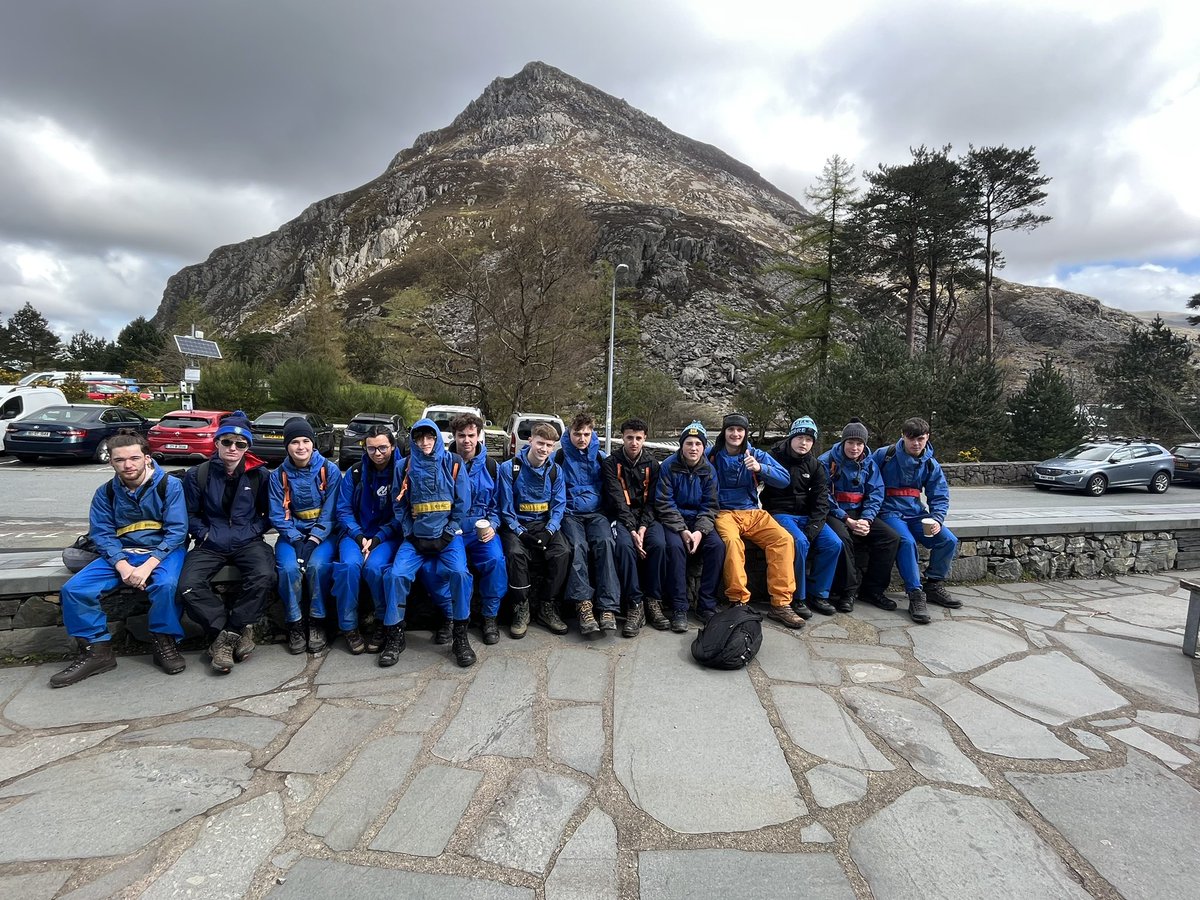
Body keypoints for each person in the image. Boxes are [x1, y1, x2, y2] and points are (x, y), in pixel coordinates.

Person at [51, 431, 188, 687]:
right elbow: (101, 534)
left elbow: (177, 532)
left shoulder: (169, 485)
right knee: (74, 589)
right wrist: (122, 565)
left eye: (134, 458)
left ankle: (163, 640)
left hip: (163, 552)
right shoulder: (106, 493)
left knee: (166, 585)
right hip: (121, 553)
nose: (128, 465)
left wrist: (148, 565)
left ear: (147, 458)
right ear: (111, 462)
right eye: (120, 459)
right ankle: (97, 652)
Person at [177, 411, 274, 674]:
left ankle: (227, 636)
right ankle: (233, 631)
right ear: (217, 443)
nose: (233, 448)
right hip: (211, 542)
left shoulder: (260, 476)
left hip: (247, 540)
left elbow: (271, 514)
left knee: (265, 574)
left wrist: (253, 530)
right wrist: (204, 533)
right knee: (187, 584)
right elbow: (189, 514)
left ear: (247, 447)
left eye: (240, 444)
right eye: (227, 442)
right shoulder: (198, 475)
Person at [387, 418, 476, 667]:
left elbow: (462, 504)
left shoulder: (453, 463)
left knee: (460, 573)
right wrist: (410, 533)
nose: (425, 442)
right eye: (419, 438)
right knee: (396, 576)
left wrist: (448, 533)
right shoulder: (403, 466)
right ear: (414, 440)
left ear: (437, 438)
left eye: (430, 437)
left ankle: (460, 636)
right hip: (416, 538)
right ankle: (395, 634)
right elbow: (398, 504)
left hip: (448, 537)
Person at [708, 413, 805, 628]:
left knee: (783, 540)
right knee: (732, 544)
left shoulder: (756, 454)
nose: (735, 434)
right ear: (724, 432)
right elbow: (688, 460)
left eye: (740, 430)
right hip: (723, 512)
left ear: (745, 433)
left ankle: (781, 604)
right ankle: (738, 601)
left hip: (752, 512)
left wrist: (761, 468)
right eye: (731, 429)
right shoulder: (712, 455)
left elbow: (784, 480)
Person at [873, 416, 962, 624]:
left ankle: (933, 585)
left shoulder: (930, 464)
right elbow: (869, 480)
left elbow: (939, 495)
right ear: (903, 436)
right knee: (906, 542)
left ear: (927, 437)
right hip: (888, 512)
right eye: (911, 438)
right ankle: (915, 594)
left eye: (920, 439)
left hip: (916, 513)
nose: (916, 443)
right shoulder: (885, 455)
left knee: (948, 540)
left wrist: (937, 519)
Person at [269, 416, 342, 654]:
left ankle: (317, 621)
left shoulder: (328, 470)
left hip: (323, 534)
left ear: (313, 443)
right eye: (294, 442)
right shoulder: (278, 475)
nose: (301, 447)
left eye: (305, 441)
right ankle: (295, 623)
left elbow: (331, 510)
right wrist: (297, 539)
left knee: (318, 566)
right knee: (288, 569)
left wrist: (313, 539)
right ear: (287, 446)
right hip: (292, 535)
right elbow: (277, 513)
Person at [761, 416, 844, 618]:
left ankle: (819, 594)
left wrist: (814, 527)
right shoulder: (773, 457)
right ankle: (798, 596)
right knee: (797, 542)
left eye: (808, 439)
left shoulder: (815, 466)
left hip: (806, 516)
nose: (803, 443)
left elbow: (821, 500)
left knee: (833, 543)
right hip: (780, 512)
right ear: (791, 438)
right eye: (800, 437)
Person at [332, 425, 403, 655]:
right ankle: (349, 627)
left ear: (392, 446)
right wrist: (359, 536)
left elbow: (401, 513)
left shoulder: (401, 473)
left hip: (386, 535)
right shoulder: (354, 472)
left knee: (374, 568)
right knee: (349, 567)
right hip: (356, 534)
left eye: (383, 447)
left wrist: (378, 538)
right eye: (371, 448)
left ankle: (383, 623)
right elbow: (342, 510)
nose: (378, 453)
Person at [819, 418, 901, 613]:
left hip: (860, 513)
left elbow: (876, 493)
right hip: (834, 513)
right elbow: (822, 495)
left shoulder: (869, 463)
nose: (854, 448)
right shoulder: (826, 461)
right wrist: (847, 519)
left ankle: (873, 590)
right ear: (843, 442)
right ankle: (847, 592)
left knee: (890, 538)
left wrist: (866, 519)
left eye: (859, 443)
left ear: (864, 445)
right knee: (843, 539)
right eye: (850, 443)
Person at [496, 422, 570, 638]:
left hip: (544, 525)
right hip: (517, 526)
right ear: (530, 441)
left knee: (562, 552)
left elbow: (558, 506)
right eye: (540, 443)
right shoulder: (509, 468)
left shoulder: (556, 471)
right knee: (516, 554)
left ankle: (548, 605)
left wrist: (549, 531)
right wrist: (521, 533)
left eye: (549, 445)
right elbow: (506, 510)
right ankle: (521, 607)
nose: (544, 450)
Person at [602, 417, 668, 637]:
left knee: (658, 544)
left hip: (647, 519)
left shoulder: (652, 464)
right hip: (622, 518)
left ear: (645, 439)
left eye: (638, 438)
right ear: (623, 438)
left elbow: (654, 501)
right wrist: (632, 529)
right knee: (623, 547)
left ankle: (653, 600)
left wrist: (642, 528)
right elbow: (617, 499)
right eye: (630, 437)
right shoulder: (611, 463)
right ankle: (635, 603)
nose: (634, 442)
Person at [656, 421, 725, 628]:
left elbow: (711, 505)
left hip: (699, 521)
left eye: (698, 444)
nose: (693, 448)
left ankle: (706, 605)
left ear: (704, 447)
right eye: (689, 443)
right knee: (675, 548)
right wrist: (683, 530)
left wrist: (700, 532)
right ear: (681, 445)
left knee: (717, 546)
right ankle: (679, 607)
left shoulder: (709, 470)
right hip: (675, 520)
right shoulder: (669, 466)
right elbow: (664, 502)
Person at [556, 413, 620, 635]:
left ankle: (608, 607)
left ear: (592, 433)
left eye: (586, 433)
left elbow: (610, 488)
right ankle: (583, 604)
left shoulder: (601, 457)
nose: (582, 438)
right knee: (577, 547)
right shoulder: (561, 457)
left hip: (596, 513)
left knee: (605, 543)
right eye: (577, 434)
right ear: (569, 434)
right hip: (569, 513)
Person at [450, 412, 507, 646]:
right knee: (455, 570)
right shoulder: (444, 462)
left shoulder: (493, 466)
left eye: (471, 435)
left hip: (481, 530)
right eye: (461, 435)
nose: (466, 440)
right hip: (453, 529)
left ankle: (489, 616)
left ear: (479, 436)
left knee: (496, 561)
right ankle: (451, 619)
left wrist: (493, 524)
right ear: (453, 436)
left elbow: (498, 505)